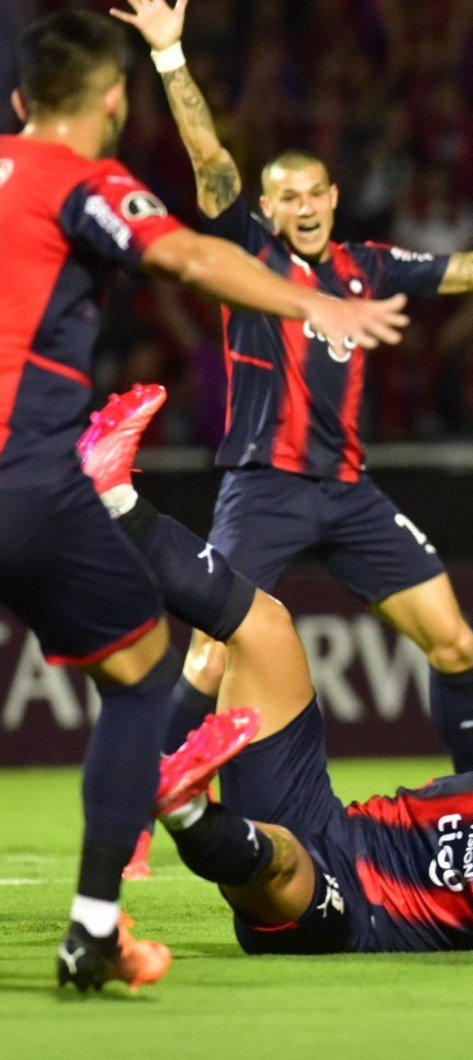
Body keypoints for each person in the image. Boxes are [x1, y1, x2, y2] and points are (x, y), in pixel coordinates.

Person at [112, 0, 473, 775]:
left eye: (315, 193)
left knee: (455, 641)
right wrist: (170, 55)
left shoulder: (366, 265)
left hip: (347, 493)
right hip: (263, 487)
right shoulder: (250, 255)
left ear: (334, 196)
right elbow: (211, 160)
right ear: (269, 208)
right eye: (288, 197)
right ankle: (139, 810)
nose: (303, 207)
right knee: (207, 658)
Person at [0, 9, 408, 991]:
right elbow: (187, 253)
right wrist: (314, 301)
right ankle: (94, 928)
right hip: (23, 479)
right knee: (143, 680)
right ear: (111, 101)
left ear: (18, 104)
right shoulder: (82, 180)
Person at [88, 387, 473, 956]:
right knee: (265, 626)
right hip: (325, 817)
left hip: (343, 909)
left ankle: (185, 807)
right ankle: (114, 501)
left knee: (283, 858)